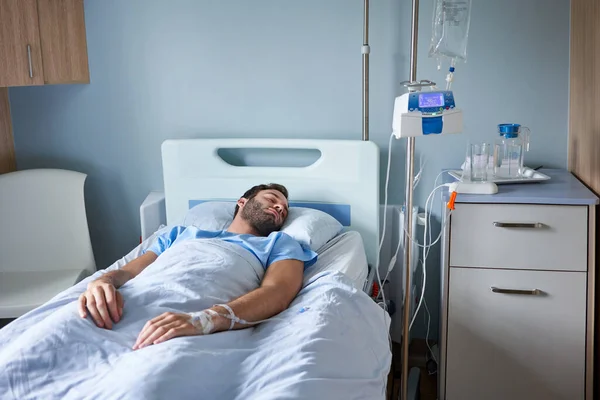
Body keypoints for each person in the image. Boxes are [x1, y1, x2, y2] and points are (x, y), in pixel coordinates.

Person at [77, 183, 317, 350]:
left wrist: (208, 319)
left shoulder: (280, 243)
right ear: (242, 202)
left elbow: (278, 292)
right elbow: (129, 272)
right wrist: (103, 281)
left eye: (283, 210)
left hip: (191, 311)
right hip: (126, 303)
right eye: (272, 199)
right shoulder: (180, 234)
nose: (279, 208)